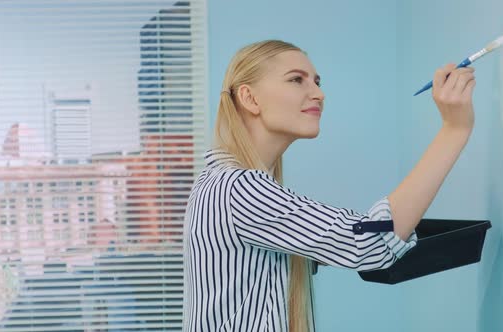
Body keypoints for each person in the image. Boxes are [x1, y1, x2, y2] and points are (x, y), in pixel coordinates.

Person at [183, 40, 476, 332]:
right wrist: (455, 129)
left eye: (317, 82)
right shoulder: (239, 189)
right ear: (250, 98)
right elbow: (369, 242)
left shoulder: (223, 184)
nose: (319, 94)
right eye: (296, 80)